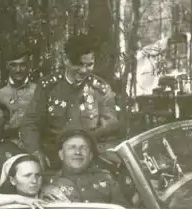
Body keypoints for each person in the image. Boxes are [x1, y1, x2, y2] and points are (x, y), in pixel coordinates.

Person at [20, 34, 122, 168]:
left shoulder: (100, 90)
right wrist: (35, 151)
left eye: (89, 65)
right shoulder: (48, 87)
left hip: (88, 161)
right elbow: (30, 123)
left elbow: (110, 130)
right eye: (78, 64)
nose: (84, 70)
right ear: (66, 60)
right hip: (53, 161)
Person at [42, 129, 128, 205]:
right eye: (72, 147)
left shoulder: (108, 181)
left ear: (90, 156)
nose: (78, 152)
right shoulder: (47, 184)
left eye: (83, 148)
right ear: (61, 154)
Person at [0, 154, 68, 209]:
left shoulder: (51, 198)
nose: (34, 181)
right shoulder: (3, 200)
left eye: (37, 175)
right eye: (27, 176)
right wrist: (19, 199)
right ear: (12, 180)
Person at [0, 46, 37, 142]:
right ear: (7, 66)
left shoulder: (38, 91)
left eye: (22, 65)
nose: (18, 70)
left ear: (29, 66)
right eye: (13, 65)